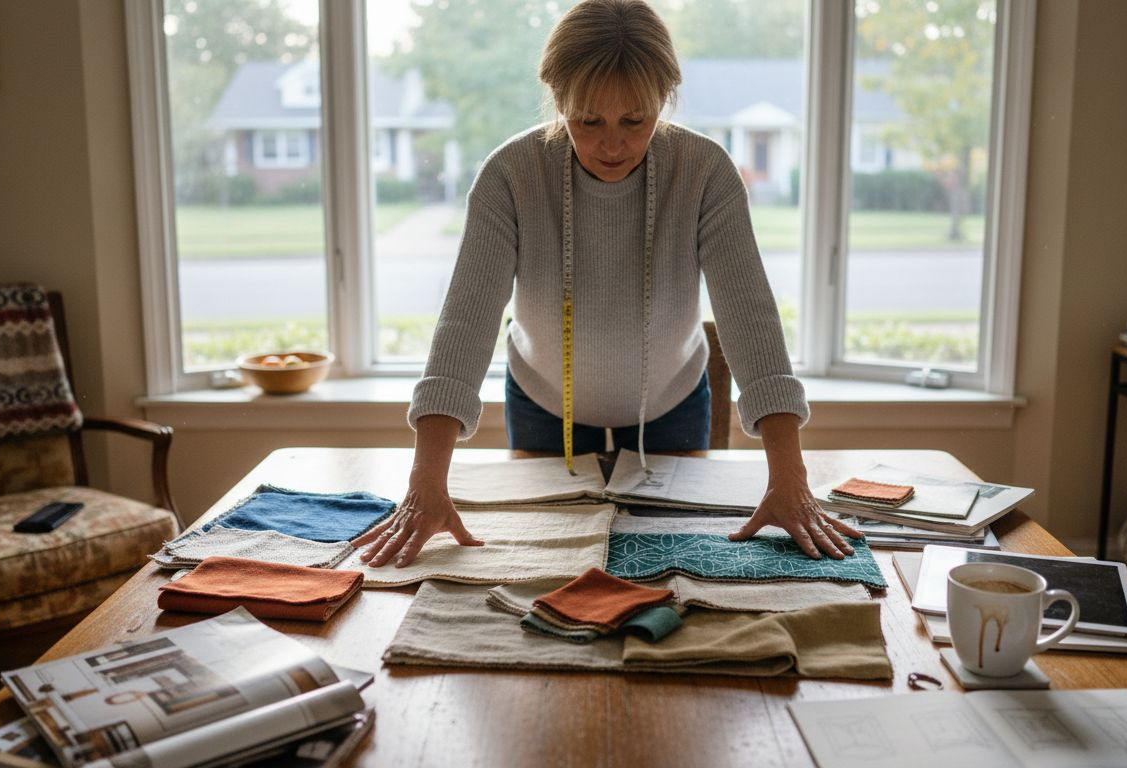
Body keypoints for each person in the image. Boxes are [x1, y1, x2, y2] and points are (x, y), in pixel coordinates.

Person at [353, 0, 862, 569]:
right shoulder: (509, 176)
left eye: (635, 120)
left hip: (672, 404)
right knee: (542, 570)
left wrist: (790, 480)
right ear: (558, 99)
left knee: (675, 567)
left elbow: (751, 321)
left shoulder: (705, 172)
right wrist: (425, 483)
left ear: (665, 98)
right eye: (589, 121)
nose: (612, 145)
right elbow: (464, 327)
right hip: (544, 406)